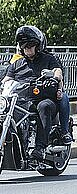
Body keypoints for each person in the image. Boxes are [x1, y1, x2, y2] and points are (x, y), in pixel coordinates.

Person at [1, 26, 65, 160]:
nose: (27, 48)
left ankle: (40, 147)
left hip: (43, 98)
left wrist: (54, 77)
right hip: (22, 100)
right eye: (24, 45)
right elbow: (7, 79)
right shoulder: (16, 64)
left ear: (37, 45)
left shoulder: (48, 59)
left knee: (44, 106)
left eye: (30, 45)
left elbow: (57, 71)